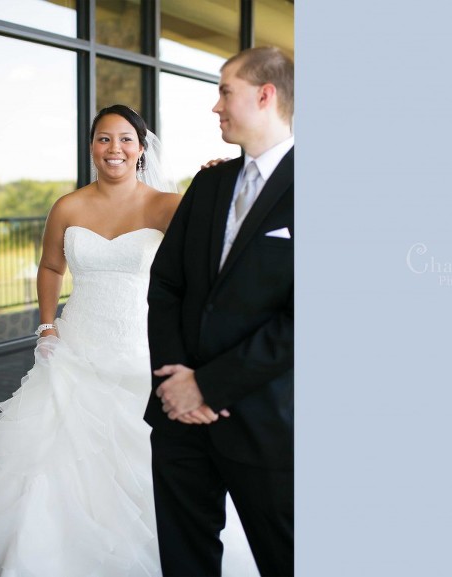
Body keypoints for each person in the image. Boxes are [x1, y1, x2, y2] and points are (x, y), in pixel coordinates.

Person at [0, 104, 180, 576]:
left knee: (142, 459)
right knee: (53, 459)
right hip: (74, 349)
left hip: (139, 350)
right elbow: (52, 267)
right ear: (92, 146)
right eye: (104, 139)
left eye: (125, 139)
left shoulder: (167, 206)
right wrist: (47, 327)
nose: (115, 149)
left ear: (141, 147)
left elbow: (191, 276)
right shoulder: (68, 206)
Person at [146, 46, 294, 576]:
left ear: (265, 94)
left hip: (265, 418)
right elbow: (166, 284)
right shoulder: (208, 183)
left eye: (224, 90)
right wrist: (176, 378)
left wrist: (208, 386)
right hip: (177, 416)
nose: (216, 106)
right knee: (185, 560)